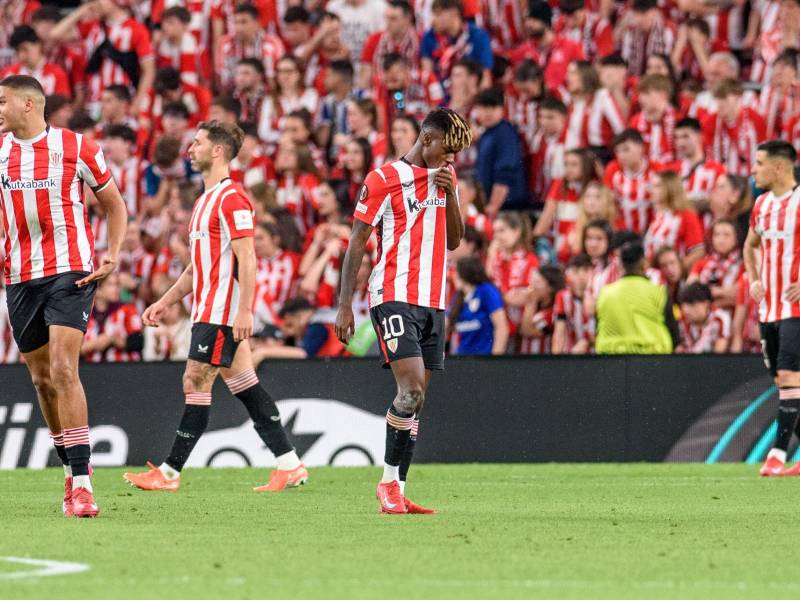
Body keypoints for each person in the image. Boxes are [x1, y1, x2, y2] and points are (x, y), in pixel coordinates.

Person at [123, 121, 308, 493]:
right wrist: (164, 301)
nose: (190, 149)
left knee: (195, 379)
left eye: (198, 143)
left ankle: (170, 472)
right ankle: (289, 464)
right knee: (244, 384)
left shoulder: (232, 198)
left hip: (222, 311)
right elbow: (197, 267)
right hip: (208, 308)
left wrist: (244, 310)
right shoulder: (204, 201)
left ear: (218, 151)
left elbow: (248, 257)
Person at [0, 75, 128, 517]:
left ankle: (84, 483)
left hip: (71, 272)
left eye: (2, 101)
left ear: (29, 104)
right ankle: (70, 472)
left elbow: (114, 203)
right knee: (41, 380)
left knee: (63, 369)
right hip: (18, 276)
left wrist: (112, 253)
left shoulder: (76, 147)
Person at [334, 107, 471, 514]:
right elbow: (358, 239)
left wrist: (450, 195)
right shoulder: (383, 179)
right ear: (426, 140)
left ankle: (396, 487)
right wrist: (345, 305)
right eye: (446, 151)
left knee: (418, 399)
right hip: (392, 293)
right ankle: (387, 485)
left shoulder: (446, 178)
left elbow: (454, 241)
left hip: (433, 300)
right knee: (409, 391)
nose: (450, 160)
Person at [743, 140, 800, 477]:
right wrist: (753, 278)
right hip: (768, 310)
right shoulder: (761, 204)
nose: (754, 170)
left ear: (779, 168)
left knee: (791, 376)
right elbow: (749, 245)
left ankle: (777, 454)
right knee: (783, 382)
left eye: (759, 163)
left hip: (796, 310)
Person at [595, 239, 677, 354]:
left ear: (621, 266)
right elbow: (674, 334)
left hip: (612, 361)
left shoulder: (605, 294)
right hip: (653, 361)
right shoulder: (659, 293)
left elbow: (598, 329)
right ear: (644, 263)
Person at [473, 88, 530, 215]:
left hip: (507, 209)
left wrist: (493, 206)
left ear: (502, 109)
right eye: (483, 107)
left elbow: (505, 174)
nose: (488, 113)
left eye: (493, 107)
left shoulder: (505, 134)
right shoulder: (486, 134)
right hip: (494, 206)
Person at [643, 170, 705, 269]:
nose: (651, 190)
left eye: (657, 186)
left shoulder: (686, 216)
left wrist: (677, 271)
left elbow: (698, 251)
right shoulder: (658, 215)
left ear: (669, 188)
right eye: (652, 186)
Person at [449, 256, 508, 355]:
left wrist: (496, 361)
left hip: (484, 359)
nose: (453, 275)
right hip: (461, 359)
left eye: (456, 272)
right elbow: (446, 324)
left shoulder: (486, 291)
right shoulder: (459, 296)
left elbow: (501, 327)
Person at [553, 253, 595, 354]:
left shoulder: (599, 293)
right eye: (576, 271)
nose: (581, 276)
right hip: (572, 355)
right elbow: (559, 333)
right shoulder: (563, 296)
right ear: (568, 274)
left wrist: (587, 342)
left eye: (586, 270)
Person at [676, 282, 731, 353]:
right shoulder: (683, 319)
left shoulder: (719, 318)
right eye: (684, 305)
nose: (686, 310)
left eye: (691, 304)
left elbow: (719, 354)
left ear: (706, 304)